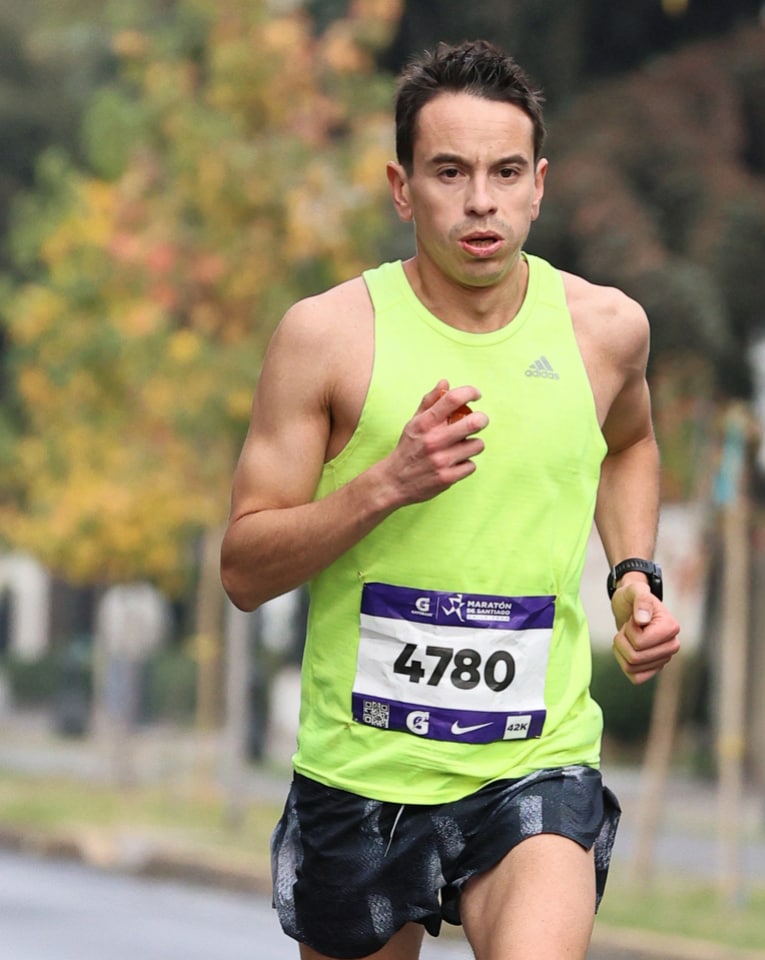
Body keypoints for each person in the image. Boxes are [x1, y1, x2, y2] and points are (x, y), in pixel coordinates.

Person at [221, 38, 681, 960]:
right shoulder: (327, 337)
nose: (481, 201)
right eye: (450, 172)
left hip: (532, 758)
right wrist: (385, 483)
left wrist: (631, 575)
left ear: (538, 183)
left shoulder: (604, 331)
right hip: (363, 770)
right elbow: (243, 568)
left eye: (506, 172)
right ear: (402, 189)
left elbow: (626, 442)